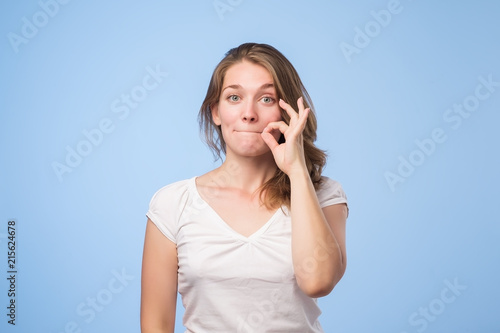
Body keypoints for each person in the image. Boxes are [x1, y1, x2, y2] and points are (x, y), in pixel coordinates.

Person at [141, 42, 348, 333]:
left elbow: (318, 281)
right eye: (234, 97)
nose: (248, 114)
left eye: (266, 99)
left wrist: (298, 171)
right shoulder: (172, 204)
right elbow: (155, 326)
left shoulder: (323, 195)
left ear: (286, 111)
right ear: (216, 112)